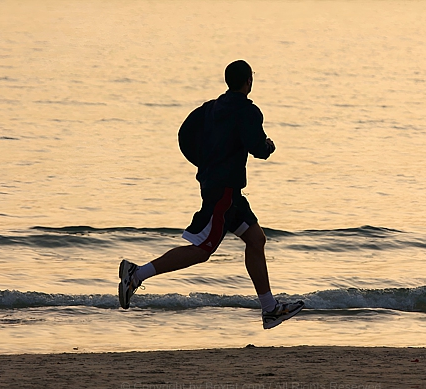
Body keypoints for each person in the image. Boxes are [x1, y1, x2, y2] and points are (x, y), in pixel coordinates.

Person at [118, 60, 304, 329]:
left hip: (225, 189)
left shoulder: (210, 107)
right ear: (248, 82)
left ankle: (270, 309)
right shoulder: (248, 111)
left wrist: (203, 163)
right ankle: (136, 274)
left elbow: (184, 135)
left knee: (256, 239)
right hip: (224, 191)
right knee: (203, 250)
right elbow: (257, 148)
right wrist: (268, 146)